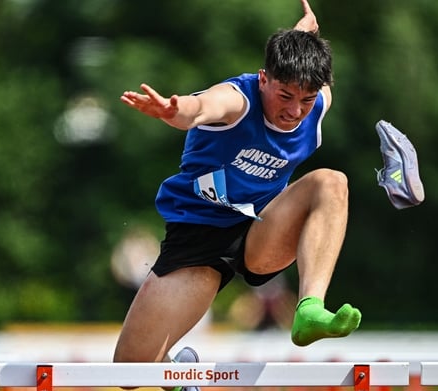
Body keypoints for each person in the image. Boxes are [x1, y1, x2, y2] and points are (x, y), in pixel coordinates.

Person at [114, 0, 362, 386]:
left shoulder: (317, 102)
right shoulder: (238, 99)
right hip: (199, 239)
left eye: (306, 99)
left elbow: (320, 80)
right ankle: (178, 371)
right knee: (130, 371)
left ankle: (310, 307)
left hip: (262, 232)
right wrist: (172, 111)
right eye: (284, 96)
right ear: (264, 78)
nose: (295, 111)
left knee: (332, 182)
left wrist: (306, 38)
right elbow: (198, 109)